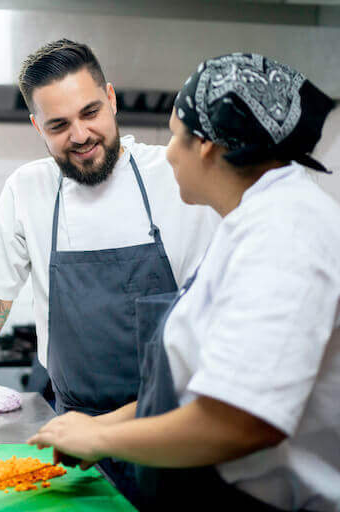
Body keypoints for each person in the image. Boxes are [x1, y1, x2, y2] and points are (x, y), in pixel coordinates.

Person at [0, 39, 218, 500]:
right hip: (73, 436)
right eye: (59, 125)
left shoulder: (174, 175)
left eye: (91, 112)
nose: (80, 135)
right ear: (36, 126)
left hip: (169, 428)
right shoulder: (28, 189)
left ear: (112, 99)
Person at [28, 53, 339, 511]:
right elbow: (201, 386)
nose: (169, 152)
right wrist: (106, 425)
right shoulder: (249, 225)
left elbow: (242, 422)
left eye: (175, 136)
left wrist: (101, 437)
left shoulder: (284, 233)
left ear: (208, 145)